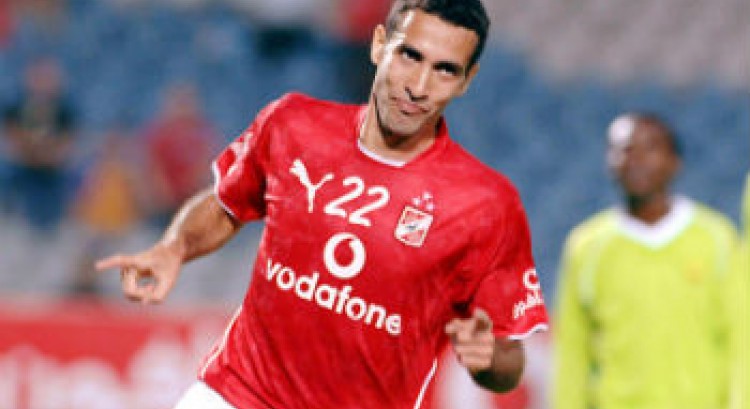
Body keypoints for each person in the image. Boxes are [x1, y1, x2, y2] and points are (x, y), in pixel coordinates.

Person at [97, 1, 549, 408]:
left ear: (467, 81)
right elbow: (227, 204)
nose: (418, 85)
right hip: (235, 394)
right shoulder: (293, 124)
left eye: (445, 70)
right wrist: (174, 247)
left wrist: (489, 359)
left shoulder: (485, 204)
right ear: (378, 45)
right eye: (409, 56)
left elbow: (508, 360)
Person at [552, 113, 738, 409]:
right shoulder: (586, 248)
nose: (637, 160)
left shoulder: (717, 238)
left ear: (675, 161)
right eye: (625, 150)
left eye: (651, 148)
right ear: (609, 162)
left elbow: (740, 340)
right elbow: (573, 351)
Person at [1, 56, 77, 232]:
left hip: (52, 170)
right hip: (22, 168)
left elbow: (68, 143)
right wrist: (31, 151)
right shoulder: (14, 107)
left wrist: (46, 153)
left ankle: (54, 222)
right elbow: (10, 140)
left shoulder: (65, 110)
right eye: (38, 77)